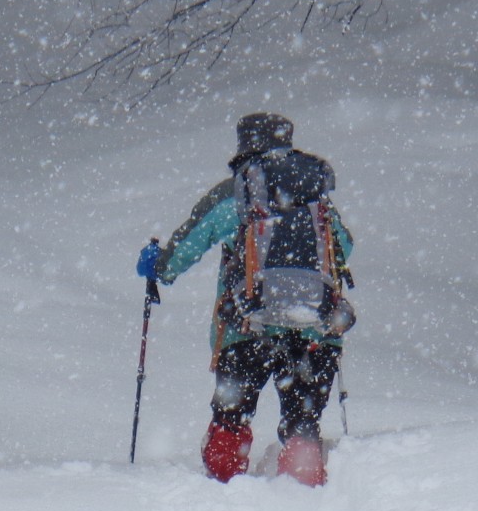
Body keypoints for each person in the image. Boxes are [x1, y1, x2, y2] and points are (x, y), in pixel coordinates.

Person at [142, 112, 355, 486]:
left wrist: (158, 266)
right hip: (314, 328)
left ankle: (224, 484)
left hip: (246, 326)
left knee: (232, 414)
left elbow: (186, 248)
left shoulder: (235, 194)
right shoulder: (315, 195)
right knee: (303, 419)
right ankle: (301, 489)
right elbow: (343, 248)